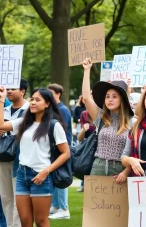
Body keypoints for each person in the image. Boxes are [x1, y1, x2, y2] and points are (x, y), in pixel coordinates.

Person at [0, 88, 70, 227]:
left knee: (41, 221)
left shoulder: (54, 125)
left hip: (42, 176)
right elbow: (1, 125)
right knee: (25, 220)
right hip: (22, 174)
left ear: (47, 104)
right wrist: (1, 100)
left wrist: (46, 172)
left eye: (38, 100)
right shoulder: (23, 122)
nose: (33, 102)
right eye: (32, 99)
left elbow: (66, 153)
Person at [82, 58, 133, 182]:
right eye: (107, 96)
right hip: (98, 166)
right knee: (94, 202)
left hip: (121, 170)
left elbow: (135, 151)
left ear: (122, 99)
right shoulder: (101, 117)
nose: (110, 99)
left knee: (119, 202)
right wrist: (87, 70)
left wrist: (126, 172)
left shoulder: (132, 121)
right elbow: (87, 98)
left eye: (114, 96)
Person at [0, 79, 29, 227]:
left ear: (23, 91)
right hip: (3, 157)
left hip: (21, 159)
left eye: (13, 88)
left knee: (20, 198)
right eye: (8, 88)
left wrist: (5, 128)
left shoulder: (30, 109)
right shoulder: (3, 109)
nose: (9, 91)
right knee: (5, 197)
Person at [47, 84, 72, 220]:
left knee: (62, 178)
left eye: (51, 93)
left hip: (62, 150)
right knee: (55, 177)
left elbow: (60, 130)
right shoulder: (55, 109)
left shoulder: (62, 110)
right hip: (56, 150)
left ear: (58, 94)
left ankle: (64, 208)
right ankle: (56, 206)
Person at [76, 110, 96, 192]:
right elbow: (80, 139)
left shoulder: (104, 113)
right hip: (89, 151)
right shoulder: (84, 114)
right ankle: (84, 186)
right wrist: (83, 130)